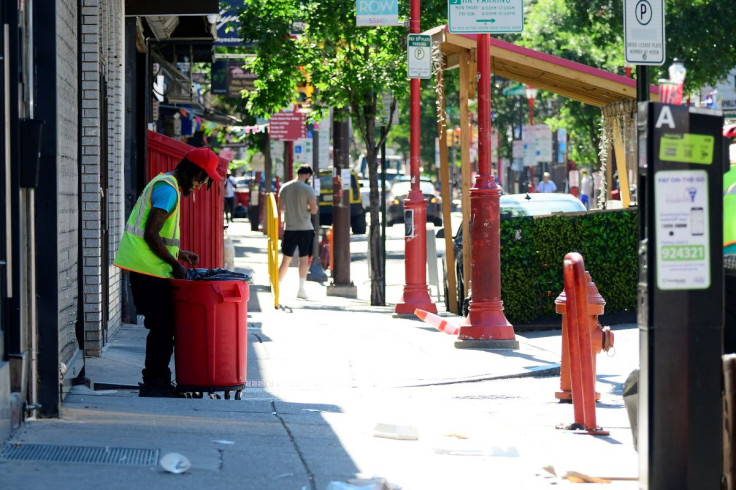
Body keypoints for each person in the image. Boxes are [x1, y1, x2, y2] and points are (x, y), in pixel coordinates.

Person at [113, 147, 222, 397]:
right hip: (148, 270)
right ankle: (155, 383)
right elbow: (151, 234)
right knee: (163, 328)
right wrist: (176, 265)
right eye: (201, 179)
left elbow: (156, 235)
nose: (200, 185)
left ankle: (157, 380)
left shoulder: (165, 183)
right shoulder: (168, 190)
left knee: (162, 327)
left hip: (147, 268)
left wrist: (179, 253)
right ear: (192, 171)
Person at [278, 165, 318, 299]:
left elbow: (281, 208)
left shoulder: (285, 187)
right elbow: (313, 210)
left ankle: (277, 286)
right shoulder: (308, 189)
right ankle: (301, 289)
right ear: (307, 175)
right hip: (305, 228)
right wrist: (305, 209)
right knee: (304, 259)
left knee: (286, 259)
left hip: (289, 227)